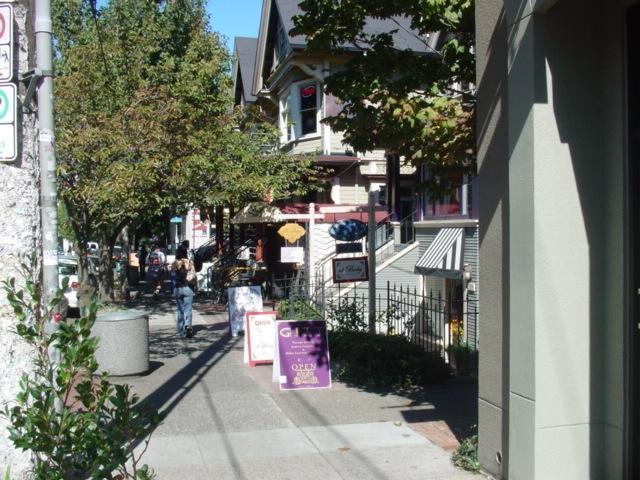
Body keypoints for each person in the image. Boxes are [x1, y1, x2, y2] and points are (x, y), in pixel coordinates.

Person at [171, 258, 196, 338]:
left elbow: (171, 275)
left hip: (178, 289)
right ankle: (188, 325)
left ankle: (180, 331)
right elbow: (194, 275)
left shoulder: (175, 264)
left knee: (180, 310)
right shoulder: (189, 264)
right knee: (188, 309)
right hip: (188, 288)